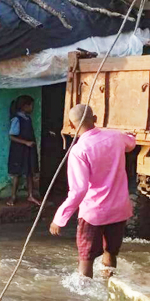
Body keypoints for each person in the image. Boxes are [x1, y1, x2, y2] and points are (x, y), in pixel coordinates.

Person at [50, 104, 136, 278]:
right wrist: (129, 135)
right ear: (95, 119)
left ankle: (84, 298)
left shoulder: (79, 150)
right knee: (111, 252)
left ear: (72, 125)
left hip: (94, 213)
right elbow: (131, 144)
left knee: (86, 259)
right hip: (119, 209)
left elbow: (78, 190)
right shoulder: (116, 137)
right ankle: (109, 288)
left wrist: (60, 218)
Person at [7, 95, 40, 206]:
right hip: (19, 150)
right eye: (31, 106)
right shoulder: (17, 119)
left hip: (28, 150)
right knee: (17, 173)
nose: (32, 108)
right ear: (25, 106)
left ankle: (30, 195)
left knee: (29, 172)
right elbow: (11, 136)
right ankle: (13, 196)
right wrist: (26, 142)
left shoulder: (27, 118)